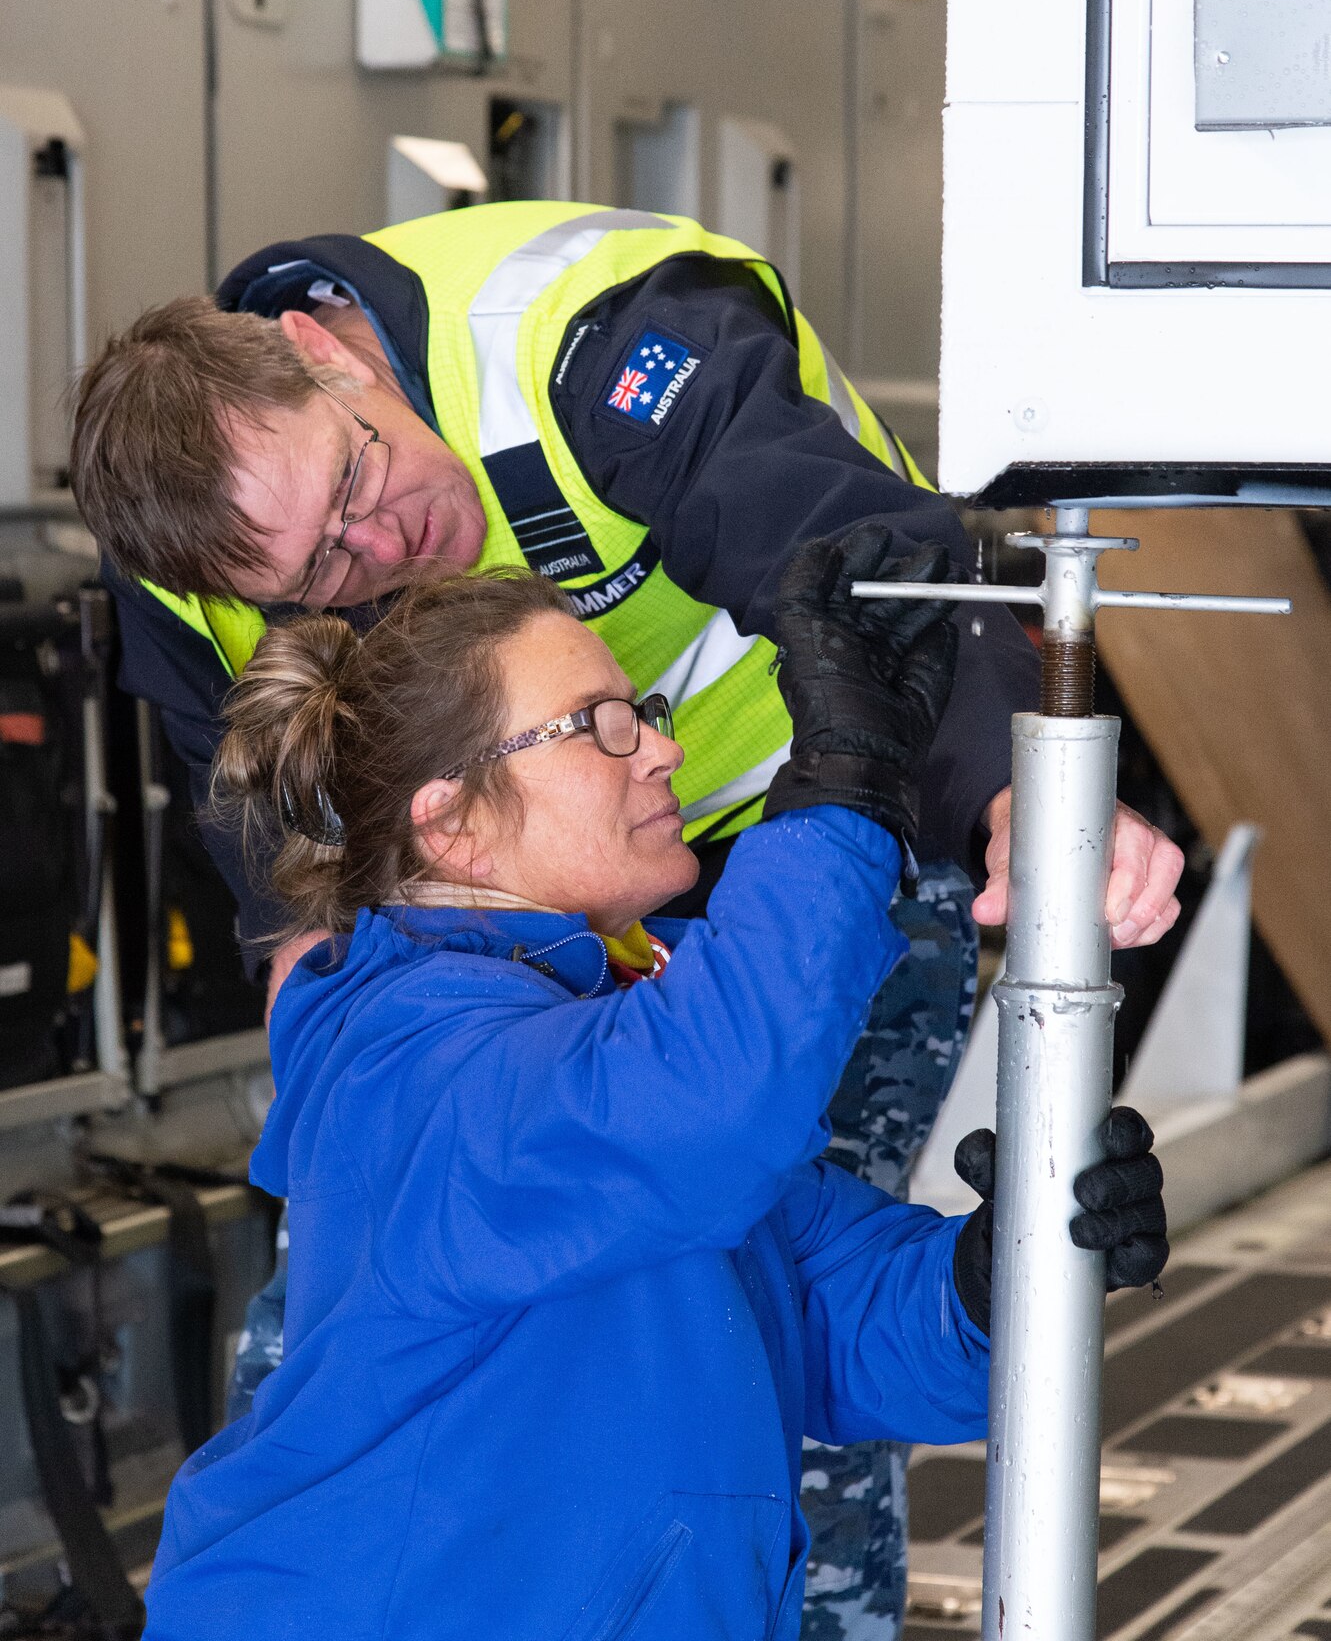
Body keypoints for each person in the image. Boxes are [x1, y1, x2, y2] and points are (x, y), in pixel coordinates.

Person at [70, 201, 1183, 1635]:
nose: (380, 543)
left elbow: (862, 558)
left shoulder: (587, 344)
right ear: (448, 811)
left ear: (320, 354)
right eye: (320, 572)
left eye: (356, 478)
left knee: (727, 1308)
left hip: (724, 887)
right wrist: (838, 789)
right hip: (725, 883)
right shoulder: (442, 1063)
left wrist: (1004, 1271)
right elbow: (267, 842)